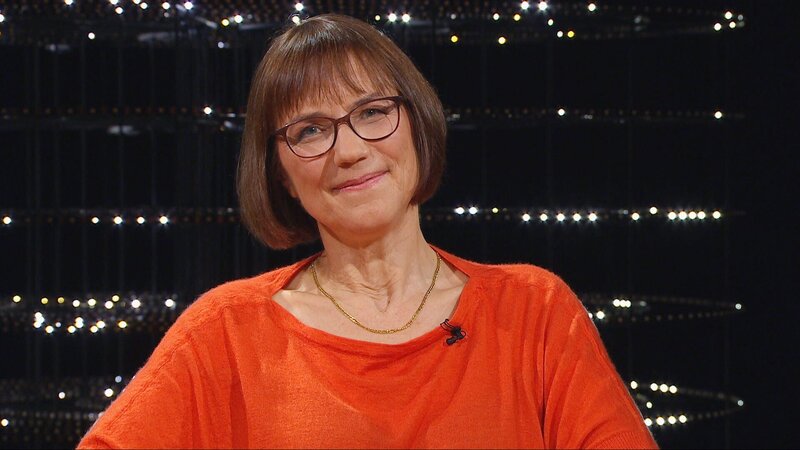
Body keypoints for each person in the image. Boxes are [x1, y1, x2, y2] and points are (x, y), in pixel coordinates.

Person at [79, 14, 658, 449]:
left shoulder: (535, 311)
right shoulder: (225, 332)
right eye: (310, 131)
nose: (351, 150)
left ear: (417, 124)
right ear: (280, 175)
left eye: (373, 112)